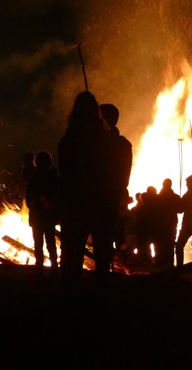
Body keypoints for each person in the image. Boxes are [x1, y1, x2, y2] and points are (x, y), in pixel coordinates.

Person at [57, 91, 120, 294]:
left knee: (72, 251)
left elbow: (65, 175)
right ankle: (100, 290)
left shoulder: (68, 141)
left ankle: (70, 290)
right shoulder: (104, 141)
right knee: (100, 251)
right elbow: (112, 174)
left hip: (77, 204)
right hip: (97, 203)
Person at [99, 103, 133, 255]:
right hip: (117, 196)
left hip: (102, 198)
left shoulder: (98, 143)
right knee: (114, 236)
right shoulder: (124, 144)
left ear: (103, 120)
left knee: (103, 238)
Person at [25, 150, 60, 272]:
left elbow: (28, 199)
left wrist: (35, 206)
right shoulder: (54, 177)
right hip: (48, 216)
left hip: (37, 216)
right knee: (50, 242)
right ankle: (54, 267)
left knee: (38, 243)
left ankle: (39, 267)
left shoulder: (34, 178)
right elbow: (58, 196)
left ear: (36, 163)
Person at [155, 178, 182, 268]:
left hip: (159, 225)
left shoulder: (157, 197)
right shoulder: (175, 197)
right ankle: (169, 264)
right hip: (171, 224)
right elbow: (180, 210)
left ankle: (159, 263)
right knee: (170, 244)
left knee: (159, 244)